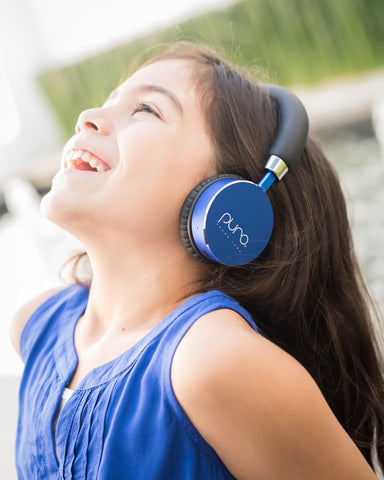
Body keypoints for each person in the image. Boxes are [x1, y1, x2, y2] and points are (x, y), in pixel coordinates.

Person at [10, 42, 384, 479]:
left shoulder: (215, 361)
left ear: (232, 202)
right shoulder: (36, 325)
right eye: (111, 100)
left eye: (145, 110)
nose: (88, 116)